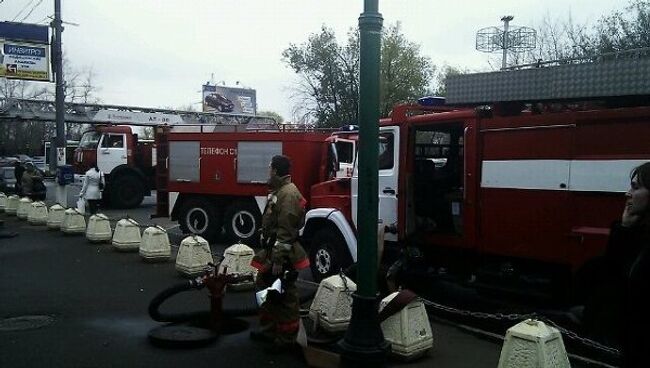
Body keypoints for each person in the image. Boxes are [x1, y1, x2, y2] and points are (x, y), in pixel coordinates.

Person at [249, 155, 310, 353]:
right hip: (272, 250)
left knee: (284, 294)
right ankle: (269, 330)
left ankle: (286, 339)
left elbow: (286, 230)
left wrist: (278, 259)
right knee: (265, 287)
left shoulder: (288, 194)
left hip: (281, 254)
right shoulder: (281, 191)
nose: (268, 172)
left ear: (275, 170)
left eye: (270, 168)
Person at [604, 162, 650, 368]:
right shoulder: (639, 236)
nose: (627, 193)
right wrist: (624, 229)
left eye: (636, 187)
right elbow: (612, 279)